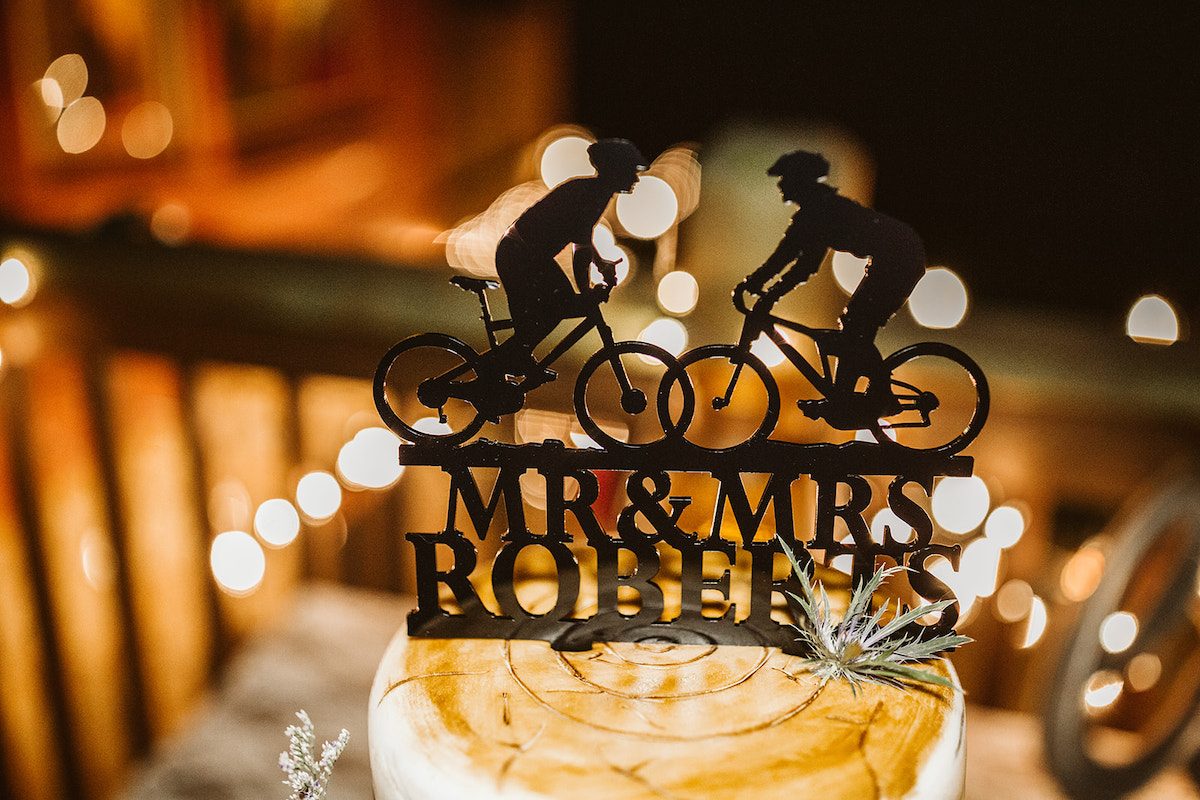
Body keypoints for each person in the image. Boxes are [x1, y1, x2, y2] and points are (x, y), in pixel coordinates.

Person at [735, 150, 927, 415]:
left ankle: (881, 396)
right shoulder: (813, 212)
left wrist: (767, 292)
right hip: (893, 258)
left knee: (856, 324)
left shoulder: (821, 212)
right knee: (853, 328)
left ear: (800, 180)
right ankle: (843, 399)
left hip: (901, 259)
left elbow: (801, 264)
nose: (780, 184)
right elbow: (789, 257)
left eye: (784, 178)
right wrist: (756, 283)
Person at [495, 139, 647, 367]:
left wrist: (600, 263)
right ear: (615, 170)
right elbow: (581, 253)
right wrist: (585, 291)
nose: (635, 178)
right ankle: (495, 368)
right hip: (520, 255)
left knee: (548, 313)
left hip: (525, 254)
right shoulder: (592, 195)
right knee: (555, 308)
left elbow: (582, 237)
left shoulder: (595, 191)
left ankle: (514, 361)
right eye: (631, 171)